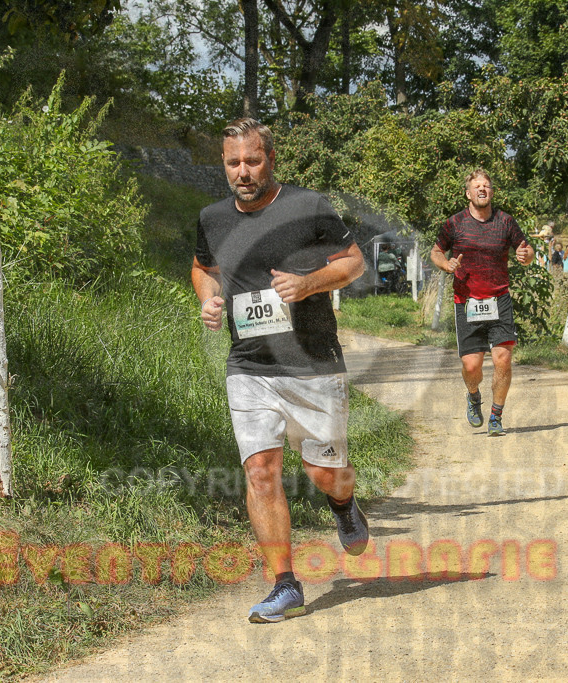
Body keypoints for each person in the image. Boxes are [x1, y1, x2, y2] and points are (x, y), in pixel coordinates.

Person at [192, 118, 368, 623]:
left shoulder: (308, 206)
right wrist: (209, 298)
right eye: (233, 163)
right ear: (223, 164)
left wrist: (308, 284)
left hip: (313, 363)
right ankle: (285, 585)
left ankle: (342, 503)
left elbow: (353, 262)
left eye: (252, 160)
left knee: (324, 473)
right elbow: (203, 267)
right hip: (248, 364)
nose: (242, 172)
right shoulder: (211, 217)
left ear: (270, 159)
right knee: (261, 471)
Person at [430, 168, 534, 437]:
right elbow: (436, 251)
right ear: (468, 193)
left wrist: (526, 255)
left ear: (491, 191)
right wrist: (446, 264)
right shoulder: (455, 224)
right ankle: (473, 396)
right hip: (467, 301)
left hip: (499, 299)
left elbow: (526, 248)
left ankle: (496, 416)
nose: (482, 190)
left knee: (503, 359)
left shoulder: (505, 222)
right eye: (477, 187)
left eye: (486, 186)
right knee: (471, 366)